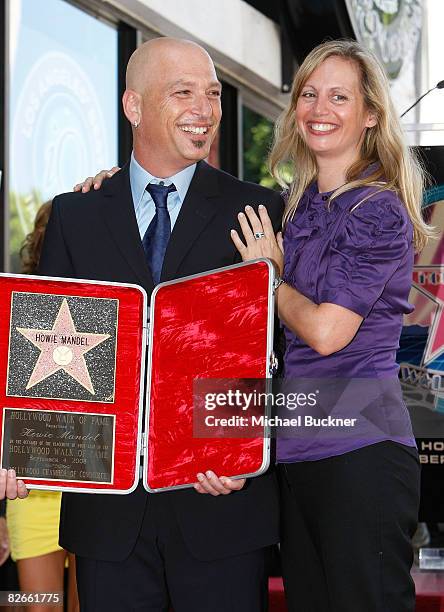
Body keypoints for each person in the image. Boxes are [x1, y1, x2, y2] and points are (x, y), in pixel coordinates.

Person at [1, 38, 284, 611]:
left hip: (220, 510)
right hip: (109, 522)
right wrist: (26, 451)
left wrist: (239, 444)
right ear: (134, 107)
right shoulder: (76, 215)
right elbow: (48, 359)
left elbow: (277, 350)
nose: (204, 109)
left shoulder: (259, 212)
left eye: (213, 94)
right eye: (183, 93)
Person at [230, 39, 432, 612]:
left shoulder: (380, 210)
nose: (320, 108)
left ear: (370, 115)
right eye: (309, 94)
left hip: (362, 452)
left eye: (339, 96)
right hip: (296, 451)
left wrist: (270, 281)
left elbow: (325, 332)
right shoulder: (295, 207)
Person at [3, 201, 79, 612]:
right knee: (41, 608)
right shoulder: (15, 309)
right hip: (29, 494)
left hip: (95, 492)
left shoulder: (108, 305)